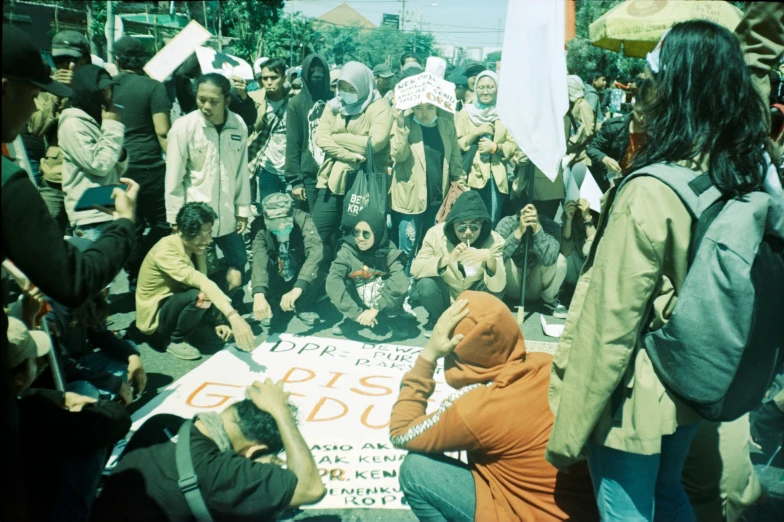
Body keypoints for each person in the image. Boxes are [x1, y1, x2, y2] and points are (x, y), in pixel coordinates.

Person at [547, 21, 780, 522]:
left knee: (626, 509)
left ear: (675, 90)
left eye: (650, 78)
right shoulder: (736, 170)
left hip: (634, 393)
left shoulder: (650, 190)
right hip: (691, 376)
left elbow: (609, 324)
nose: (639, 90)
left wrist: (569, 432)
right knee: (670, 493)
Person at [2, 25, 138, 521]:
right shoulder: (12, 183)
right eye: (32, 93)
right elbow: (72, 280)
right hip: (94, 220)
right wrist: (125, 226)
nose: (36, 107)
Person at [390, 292, 598, 522]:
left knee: (416, 470)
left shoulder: (475, 408)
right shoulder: (546, 364)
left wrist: (429, 355)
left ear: (456, 349)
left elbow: (400, 432)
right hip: (585, 510)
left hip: (532, 516)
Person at [91, 379, 327, 521]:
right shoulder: (218, 473)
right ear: (253, 451)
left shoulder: (163, 423)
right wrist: (280, 412)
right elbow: (311, 488)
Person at [9, 315, 132, 522]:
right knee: (93, 435)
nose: (39, 362)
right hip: (34, 507)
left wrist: (57, 396)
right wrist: (94, 407)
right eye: (33, 358)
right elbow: (116, 421)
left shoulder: (20, 402)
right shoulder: (33, 412)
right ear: (19, 377)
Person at [135, 202, 255, 360]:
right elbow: (201, 282)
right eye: (200, 234)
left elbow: (207, 279)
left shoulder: (196, 246)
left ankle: (200, 324)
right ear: (181, 231)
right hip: (160, 316)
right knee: (202, 296)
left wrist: (218, 320)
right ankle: (175, 339)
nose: (207, 240)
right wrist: (233, 316)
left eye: (209, 233)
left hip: (184, 297)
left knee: (233, 276)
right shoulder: (165, 251)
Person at [166, 73, 251, 274]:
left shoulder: (238, 125)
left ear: (227, 100)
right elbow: (173, 177)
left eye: (214, 101)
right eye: (201, 100)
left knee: (239, 262)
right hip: (199, 218)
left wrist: (243, 211)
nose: (206, 106)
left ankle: (232, 301)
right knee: (205, 271)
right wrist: (174, 217)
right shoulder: (183, 127)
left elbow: (241, 172)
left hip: (229, 216)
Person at [313, 61, 393, 261]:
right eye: (342, 87)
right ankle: (322, 279)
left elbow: (374, 143)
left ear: (364, 85)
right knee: (318, 233)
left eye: (352, 88)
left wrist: (337, 138)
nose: (346, 92)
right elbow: (320, 138)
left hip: (363, 183)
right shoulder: (333, 106)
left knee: (358, 237)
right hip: (331, 180)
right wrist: (350, 155)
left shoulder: (379, 107)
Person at [112, 36, 172, 287]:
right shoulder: (153, 87)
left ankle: (134, 275)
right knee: (163, 222)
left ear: (117, 59)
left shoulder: (106, 87)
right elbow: (162, 131)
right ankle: (151, 267)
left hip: (116, 168)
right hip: (151, 168)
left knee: (130, 225)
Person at [410, 191, 506, 336]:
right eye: (461, 227)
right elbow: (415, 269)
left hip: (474, 294)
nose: (467, 232)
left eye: (474, 227)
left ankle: (475, 321)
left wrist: (489, 257)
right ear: (452, 224)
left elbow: (499, 286)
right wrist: (447, 259)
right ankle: (437, 319)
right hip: (445, 294)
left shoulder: (495, 240)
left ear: (482, 224)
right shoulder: (435, 234)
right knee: (425, 284)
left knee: (495, 292)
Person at [26, 30, 93, 234]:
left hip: (91, 180)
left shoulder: (99, 85)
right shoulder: (46, 90)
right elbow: (35, 128)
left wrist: (78, 90)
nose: (64, 65)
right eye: (59, 60)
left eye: (70, 59)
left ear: (86, 60)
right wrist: (57, 96)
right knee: (47, 236)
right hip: (55, 178)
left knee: (93, 238)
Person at [390, 102, 466, 276]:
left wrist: (462, 187)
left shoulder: (446, 125)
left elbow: (455, 160)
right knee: (407, 249)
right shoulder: (406, 123)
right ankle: (402, 289)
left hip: (438, 198)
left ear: (437, 107)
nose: (424, 113)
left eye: (429, 108)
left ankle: (422, 287)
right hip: (410, 198)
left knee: (430, 249)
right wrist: (401, 125)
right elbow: (398, 155)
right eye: (419, 108)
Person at [60, 64, 128, 241]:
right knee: (95, 267)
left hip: (108, 208)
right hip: (90, 217)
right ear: (87, 91)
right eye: (102, 90)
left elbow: (115, 166)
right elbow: (100, 165)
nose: (107, 95)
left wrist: (120, 155)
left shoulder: (98, 119)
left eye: (109, 89)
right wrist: (112, 127)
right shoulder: (73, 124)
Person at [326, 209, 411, 336]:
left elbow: (401, 281)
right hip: (357, 298)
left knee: (397, 282)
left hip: (381, 299)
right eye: (356, 232)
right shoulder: (347, 249)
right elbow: (333, 280)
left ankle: (392, 318)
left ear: (377, 233)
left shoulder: (388, 249)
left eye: (366, 234)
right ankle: (351, 319)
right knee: (339, 281)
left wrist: (376, 308)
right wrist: (355, 313)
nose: (360, 238)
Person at [251, 193, 325, 329]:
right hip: (277, 271)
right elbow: (259, 261)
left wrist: (298, 288)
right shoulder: (259, 226)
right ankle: (272, 302)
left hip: (299, 269)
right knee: (263, 267)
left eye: (284, 220)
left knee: (318, 266)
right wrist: (259, 293)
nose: (280, 226)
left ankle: (303, 304)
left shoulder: (303, 218)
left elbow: (315, 251)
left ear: (291, 214)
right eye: (274, 221)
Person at [456, 71, 517, 227]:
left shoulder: (505, 114)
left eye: (490, 87)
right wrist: (476, 132)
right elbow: (456, 144)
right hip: (472, 176)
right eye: (481, 87)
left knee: (492, 220)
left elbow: (512, 145)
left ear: (497, 89)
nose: (485, 91)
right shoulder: (465, 113)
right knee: (472, 219)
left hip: (496, 177)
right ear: (475, 89)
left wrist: (495, 147)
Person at [496, 204, 568, 318]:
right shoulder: (506, 223)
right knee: (499, 254)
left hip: (536, 284)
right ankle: (496, 298)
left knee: (560, 260)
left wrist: (537, 229)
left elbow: (550, 260)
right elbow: (496, 257)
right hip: (511, 283)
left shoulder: (551, 225)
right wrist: (518, 232)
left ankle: (550, 301)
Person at [285, 53, 332, 213]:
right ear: (306, 72)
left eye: (320, 70)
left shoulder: (335, 101)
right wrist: (296, 181)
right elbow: (293, 143)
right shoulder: (296, 104)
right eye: (312, 70)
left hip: (334, 176)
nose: (317, 74)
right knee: (311, 228)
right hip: (309, 179)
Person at [249, 58, 290, 206]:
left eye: (274, 77)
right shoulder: (254, 100)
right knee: (270, 214)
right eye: (265, 78)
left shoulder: (294, 100)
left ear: (284, 78)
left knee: (292, 215)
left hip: (290, 171)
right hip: (267, 169)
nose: (269, 82)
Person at [587, 102, 646, 191]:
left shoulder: (655, 132)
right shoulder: (615, 126)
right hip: (611, 182)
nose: (642, 118)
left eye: (648, 115)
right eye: (639, 113)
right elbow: (592, 148)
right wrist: (605, 159)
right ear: (633, 107)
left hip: (637, 183)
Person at [560, 198, 597, 286]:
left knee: (589, 247)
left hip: (592, 274)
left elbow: (594, 246)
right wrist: (569, 219)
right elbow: (566, 249)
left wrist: (587, 217)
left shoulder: (597, 216)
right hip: (574, 275)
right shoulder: (568, 222)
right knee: (566, 254)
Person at [565, 74, 597, 168]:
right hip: (574, 155)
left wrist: (568, 145)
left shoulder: (582, 105)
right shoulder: (574, 104)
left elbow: (586, 130)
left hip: (581, 157)